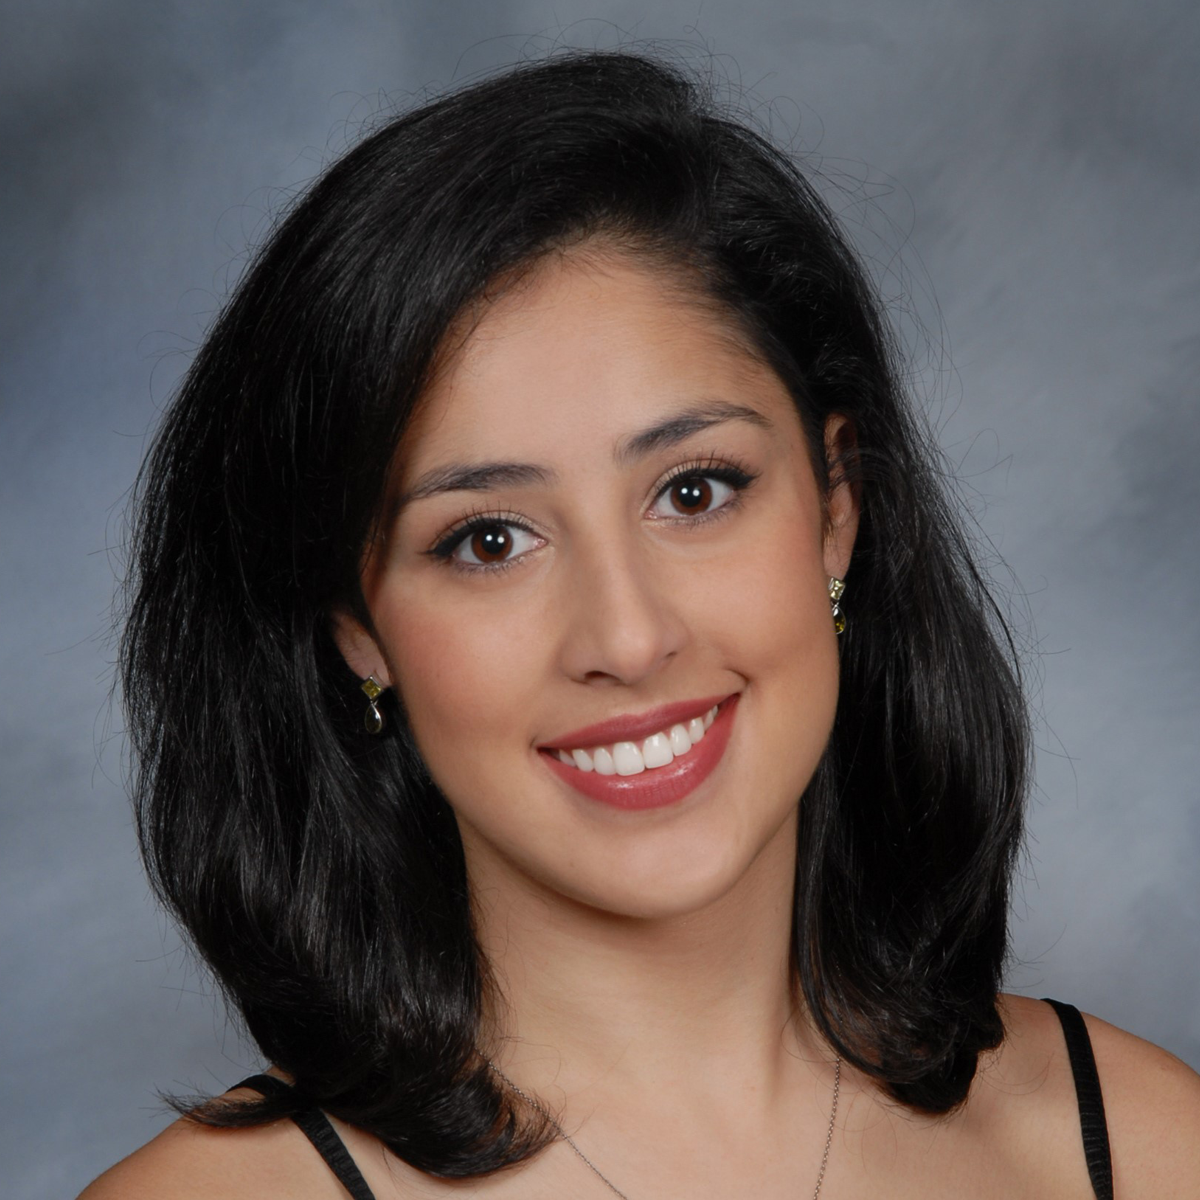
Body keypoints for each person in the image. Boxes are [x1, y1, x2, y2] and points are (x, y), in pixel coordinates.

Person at [83, 50, 1199, 1199]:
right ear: (357, 628)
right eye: (489, 541)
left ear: (834, 513)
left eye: (695, 491)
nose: (624, 636)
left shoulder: (1144, 1145)